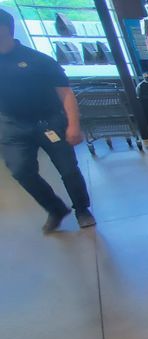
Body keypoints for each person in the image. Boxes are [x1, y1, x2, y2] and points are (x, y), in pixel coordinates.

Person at [0, 9, 94, 233]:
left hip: (48, 121)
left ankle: (82, 209)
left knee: (68, 169)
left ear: (6, 29)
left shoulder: (38, 60)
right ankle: (55, 209)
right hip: (12, 124)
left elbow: (65, 93)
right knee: (21, 171)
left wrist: (73, 124)